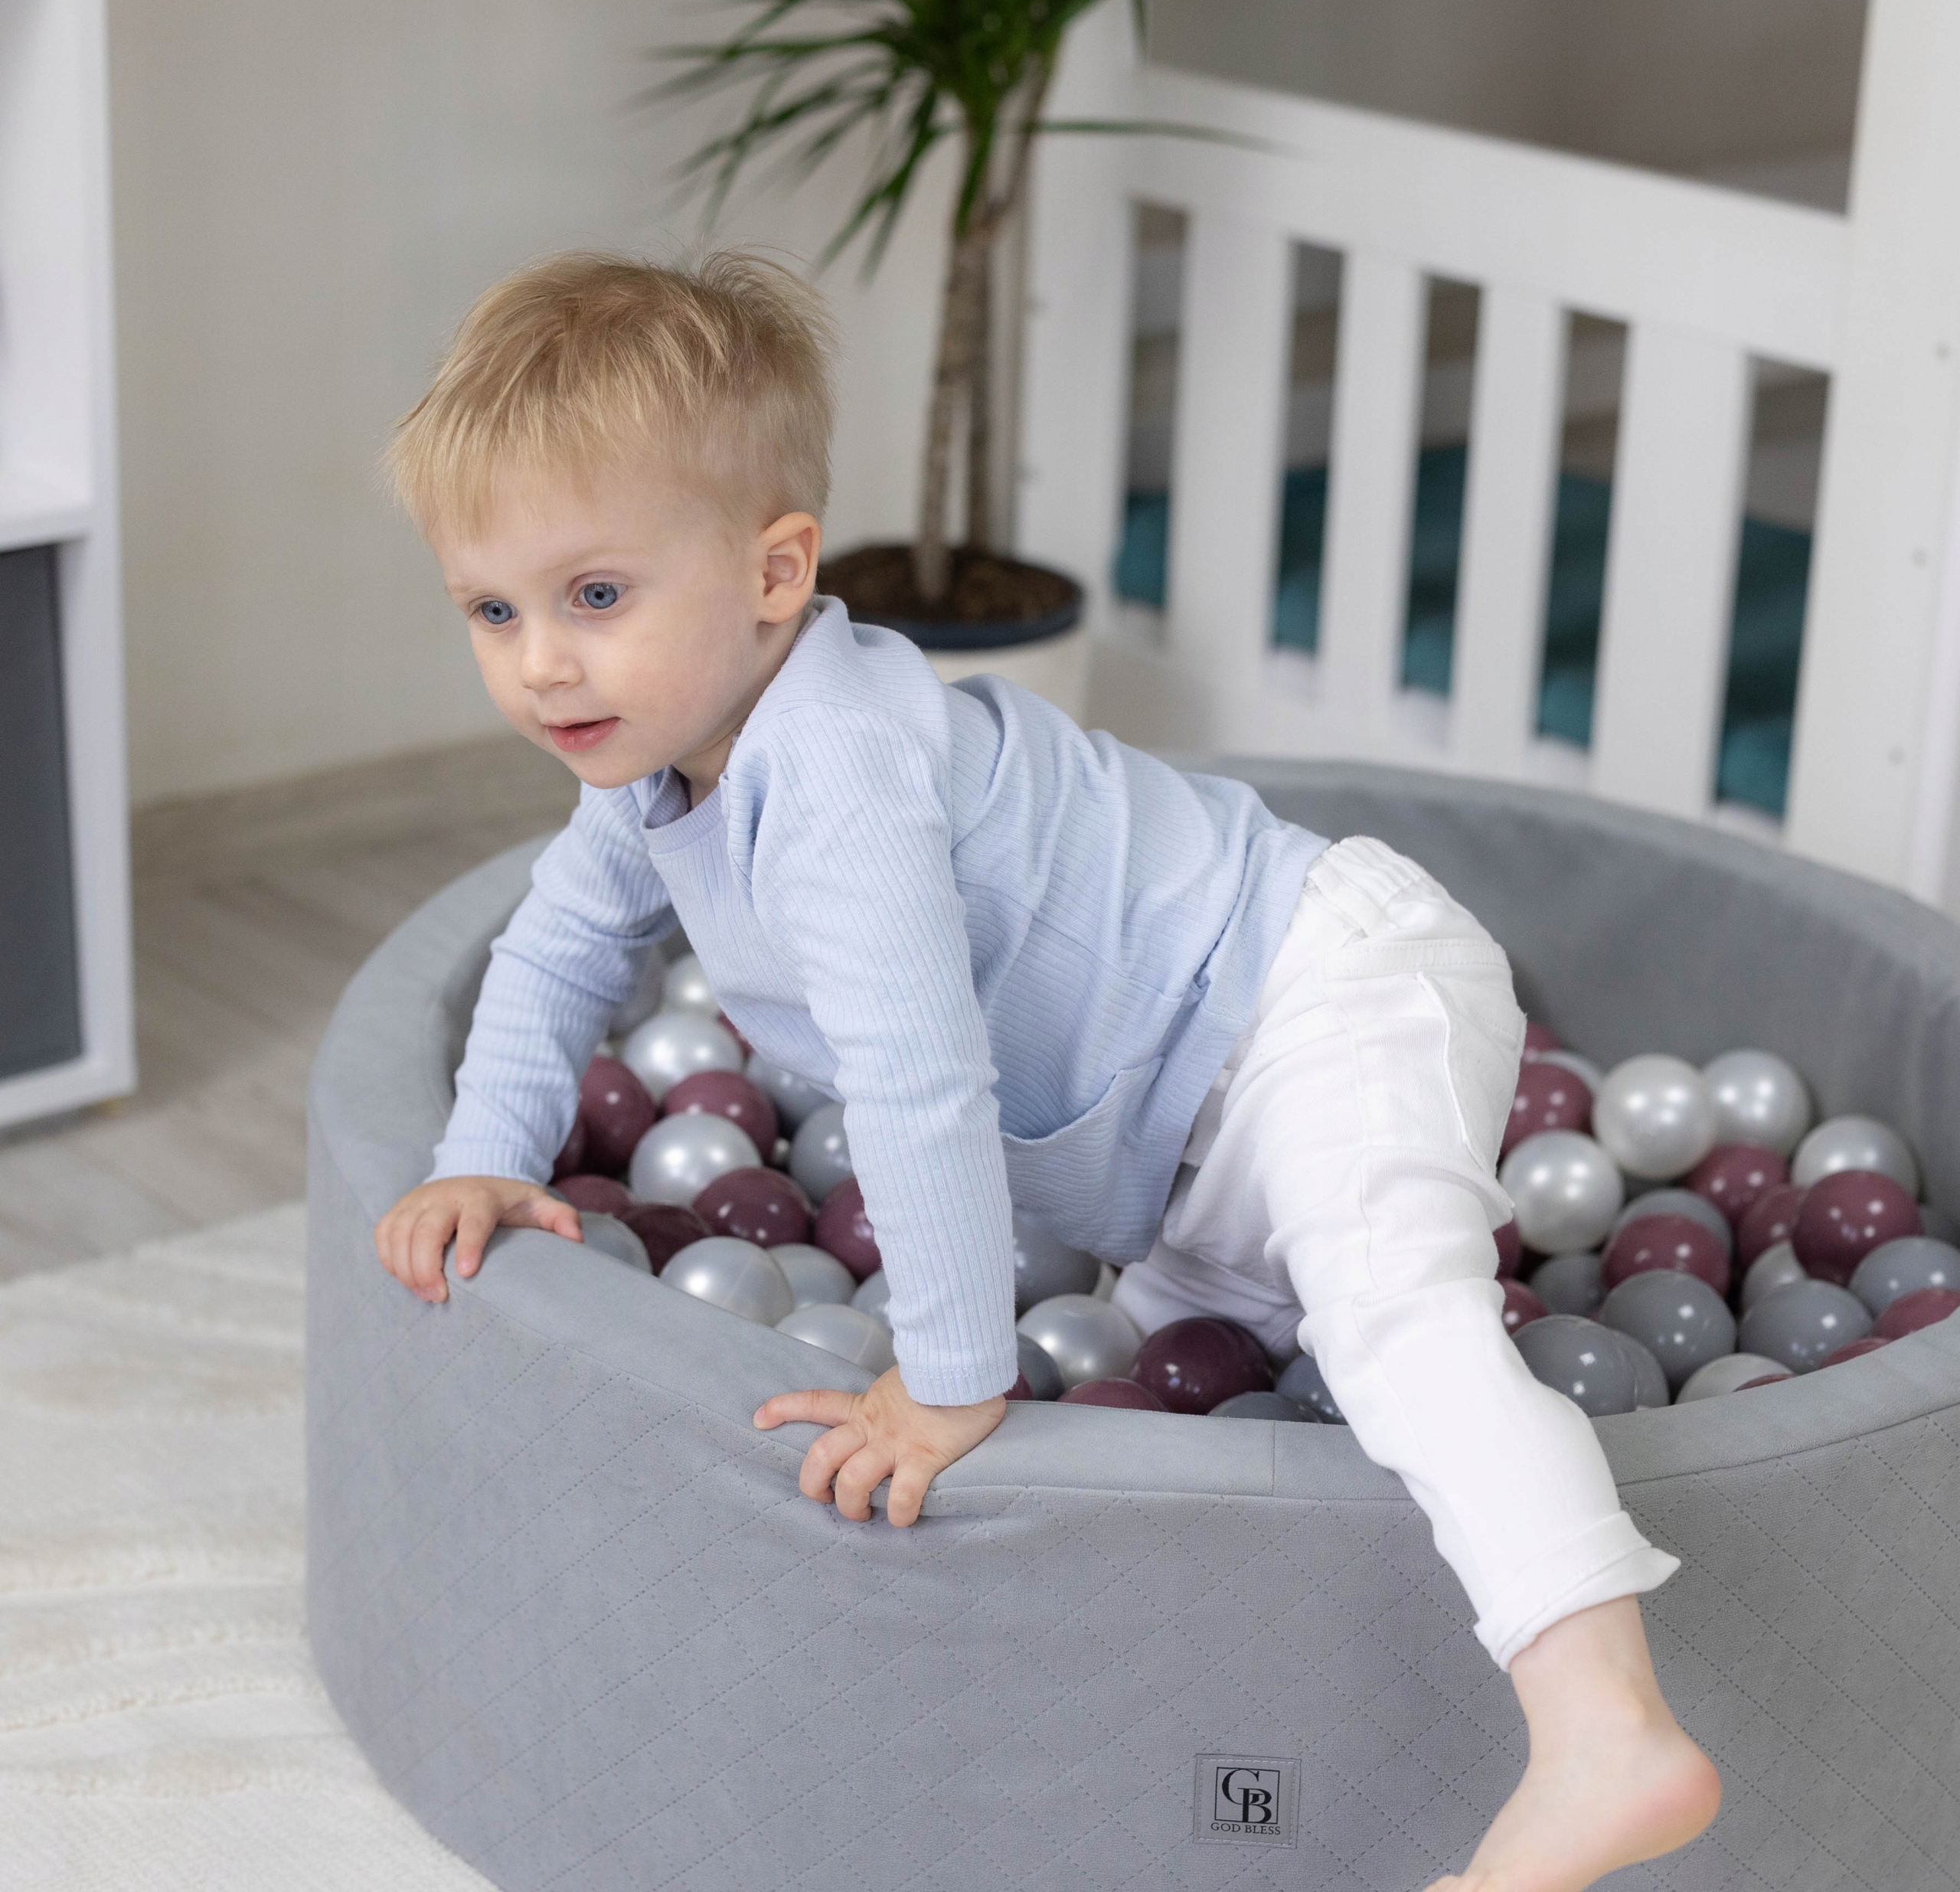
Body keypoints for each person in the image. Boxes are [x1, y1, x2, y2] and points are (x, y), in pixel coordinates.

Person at [370, 249, 1720, 1891]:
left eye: (594, 598)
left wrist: (946, 1376)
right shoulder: (652, 776)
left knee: (1394, 1325)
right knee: (1161, 1398)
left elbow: (920, 1079)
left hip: (1322, 995)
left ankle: (1605, 1731)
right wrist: (484, 1152)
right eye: (492, 611)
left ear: (775, 571)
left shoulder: (838, 773)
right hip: (1182, 1149)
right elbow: (554, 950)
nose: (540, 664)